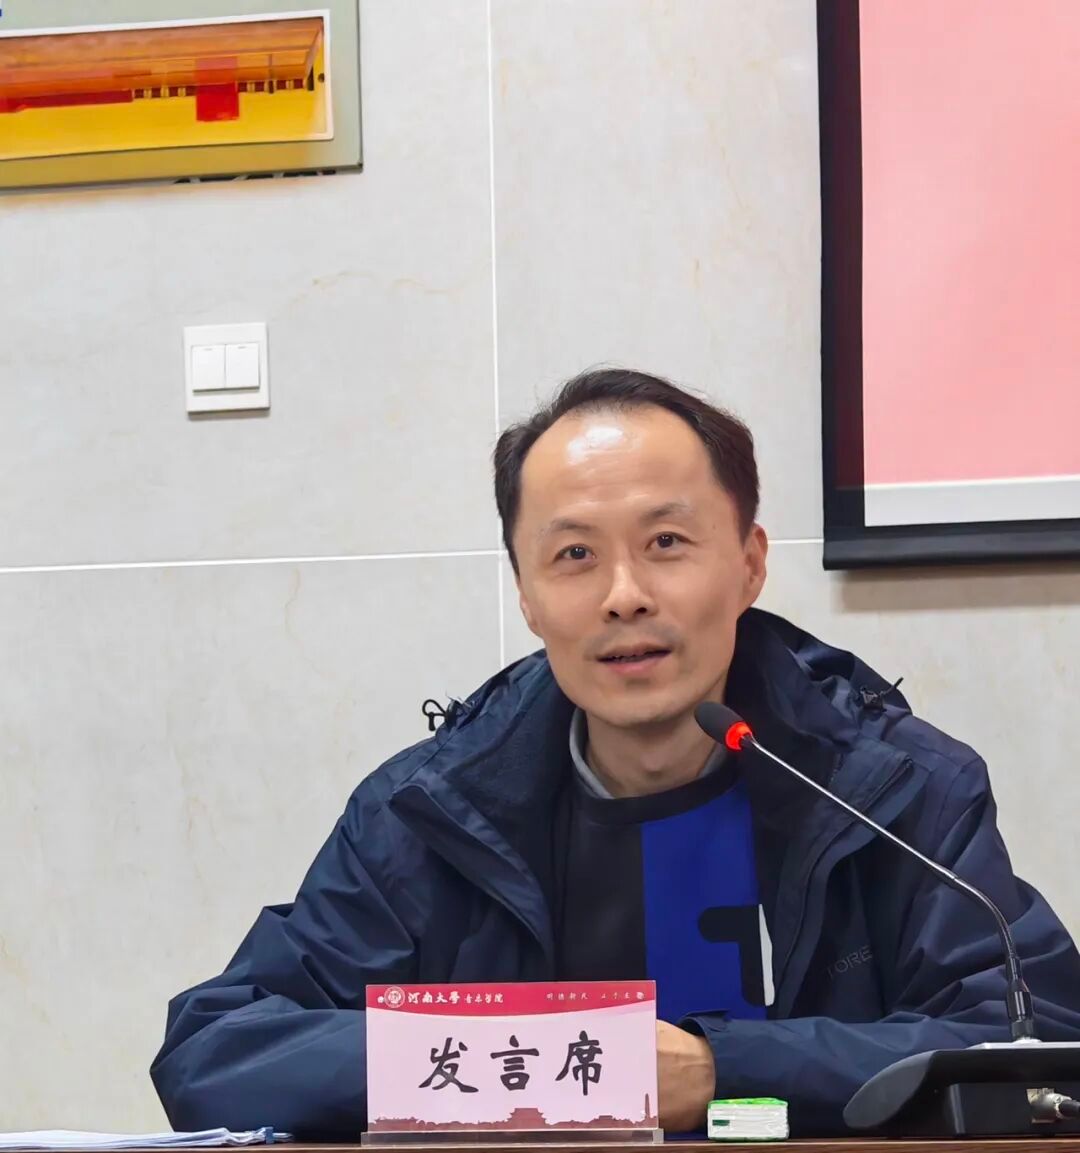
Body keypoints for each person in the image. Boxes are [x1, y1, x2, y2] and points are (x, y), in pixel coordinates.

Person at [151, 369, 1080, 1137]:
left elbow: (1038, 1047)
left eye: (666, 541)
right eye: (574, 556)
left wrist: (719, 1068)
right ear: (526, 595)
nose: (623, 594)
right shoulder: (433, 811)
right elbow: (218, 1053)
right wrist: (554, 1059)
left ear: (750, 562)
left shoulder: (889, 788)